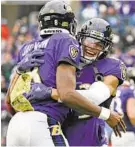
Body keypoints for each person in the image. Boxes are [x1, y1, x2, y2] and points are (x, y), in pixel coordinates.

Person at [6, 1, 126, 146]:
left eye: (99, 44)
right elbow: (66, 94)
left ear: (106, 47)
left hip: (89, 138)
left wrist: (48, 92)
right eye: (89, 40)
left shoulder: (111, 66)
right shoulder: (63, 52)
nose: (92, 47)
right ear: (79, 36)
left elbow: (93, 97)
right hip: (51, 127)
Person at [111, 67, 135, 146]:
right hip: (128, 133)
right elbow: (132, 115)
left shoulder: (116, 90)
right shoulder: (129, 91)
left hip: (115, 133)